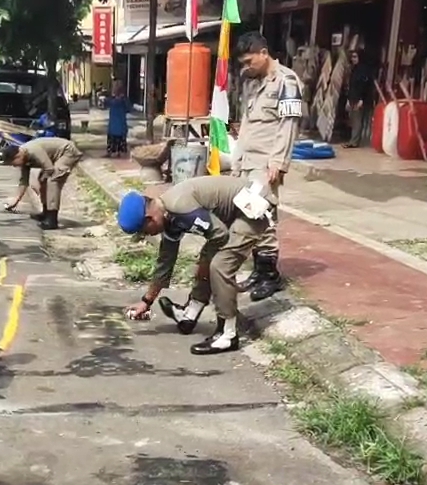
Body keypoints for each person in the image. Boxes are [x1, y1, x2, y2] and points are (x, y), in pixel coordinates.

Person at [119, 174, 275, 355]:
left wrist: (204, 266)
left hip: (254, 205)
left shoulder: (180, 208)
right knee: (207, 260)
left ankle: (228, 334)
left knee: (219, 266)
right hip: (237, 208)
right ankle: (190, 314)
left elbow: (221, 235)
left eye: (145, 232)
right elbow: (165, 262)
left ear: (149, 219)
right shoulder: (168, 216)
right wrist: (146, 302)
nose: (149, 235)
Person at [231, 31, 303, 301]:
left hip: (266, 162)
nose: (246, 66)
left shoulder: (287, 81)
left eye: (250, 60)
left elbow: (289, 125)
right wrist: (237, 161)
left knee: (263, 215)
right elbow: (248, 124)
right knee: (249, 214)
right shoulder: (252, 81)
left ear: (264, 52)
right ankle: (259, 271)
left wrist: (279, 161)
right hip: (247, 159)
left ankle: (270, 274)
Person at [3, 136, 82, 230]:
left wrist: (38, 182)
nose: (15, 166)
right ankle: (45, 213)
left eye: (14, 164)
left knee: (53, 180)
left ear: (18, 156)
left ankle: (52, 219)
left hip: (68, 151)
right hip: (56, 157)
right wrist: (16, 201)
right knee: (44, 180)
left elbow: (49, 168)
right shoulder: (24, 157)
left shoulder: (33, 151)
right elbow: (24, 181)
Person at [345, 49, 375, 148]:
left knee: (357, 121)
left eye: (355, 57)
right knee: (353, 120)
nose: (353, 59)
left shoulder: (364, 71)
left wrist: (362, 99)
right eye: (352, 57)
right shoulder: (354, 70)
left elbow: (365, 87)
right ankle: (353, 140)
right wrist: (349, 99)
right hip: (353, 98)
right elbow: (352, 86)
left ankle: (354, 142)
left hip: (360, 100)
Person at [105, 81, 132, 157]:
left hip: (113, 128)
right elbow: (129, 109)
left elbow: (105, 104)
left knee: (112, 145)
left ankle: (113, 152)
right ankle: (119, 152)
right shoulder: (123, 100)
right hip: (121, 127)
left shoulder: (112, 100)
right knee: (121, 147)